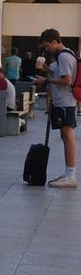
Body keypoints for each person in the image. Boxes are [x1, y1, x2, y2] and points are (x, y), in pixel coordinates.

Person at [36, 28, 77, 188]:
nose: (46, 49)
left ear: (55, 41)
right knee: (65, 136)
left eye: (47, 46)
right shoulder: (67, 54)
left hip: (65, 101)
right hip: (64, 101)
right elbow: (60, 74)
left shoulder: (64, 56)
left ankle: (71, 175)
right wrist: (47, 70)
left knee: (67, 136)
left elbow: (67, 81)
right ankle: (69, 173)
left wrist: (47, 82)